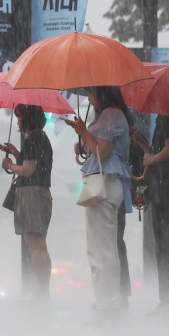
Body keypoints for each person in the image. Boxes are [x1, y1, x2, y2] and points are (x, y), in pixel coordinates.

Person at [65, 86, 132, 319]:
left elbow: (102, 152)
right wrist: (83, 140)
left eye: (92, 93)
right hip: (110, 183)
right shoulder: (112, 115)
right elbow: (97, 149)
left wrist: (83, 132)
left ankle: (107, 302)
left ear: (104, 93)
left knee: (100, 249)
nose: (89, 98)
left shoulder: (111, 115)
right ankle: (110, 301)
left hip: (104, 184)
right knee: (106, 247)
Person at [130, 115, 169, 316]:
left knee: (167, 247)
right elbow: (161, 151)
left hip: (166, 190)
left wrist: (153, 159)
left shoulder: (166, 117)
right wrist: (140, 141)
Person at [0, 104, 54, 302]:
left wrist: (10, 165)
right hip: (38, 194)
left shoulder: (33, 140)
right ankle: (41, 291)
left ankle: (41, 292)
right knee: (35, 244)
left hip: (32, 195)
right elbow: (33, 165)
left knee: (36, 245)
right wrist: (15, 152)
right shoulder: (40, 139)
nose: (18, 121)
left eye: (20, 116)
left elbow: (28, 170)